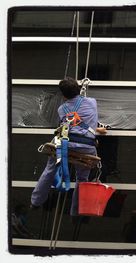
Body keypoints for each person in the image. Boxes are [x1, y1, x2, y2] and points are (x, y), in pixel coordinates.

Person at [31, 77, 107, 216]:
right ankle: (76, 211)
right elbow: (84, 119)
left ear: (64, 95)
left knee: (50, 170)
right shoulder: (92, 102)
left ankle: (36, 201)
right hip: (86, 146)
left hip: (64, 143)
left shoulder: (61, 109)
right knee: (82, 179)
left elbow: (72, 123)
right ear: (78, 89)